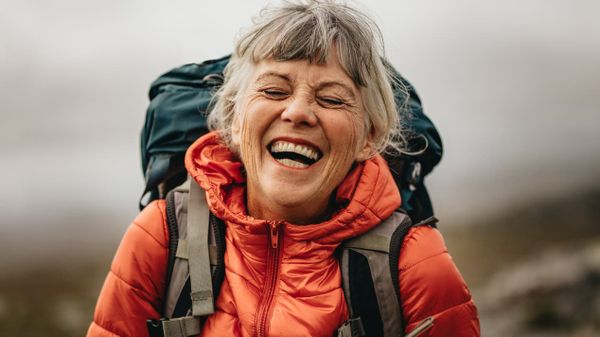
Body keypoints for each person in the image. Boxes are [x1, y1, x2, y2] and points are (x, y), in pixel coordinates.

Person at [87, 1, 480, 336]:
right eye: (274, 91)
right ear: (234, 120)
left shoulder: (415, 265)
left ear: (369, 138)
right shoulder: (160, 236)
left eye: (331, 99)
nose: (297, 112)